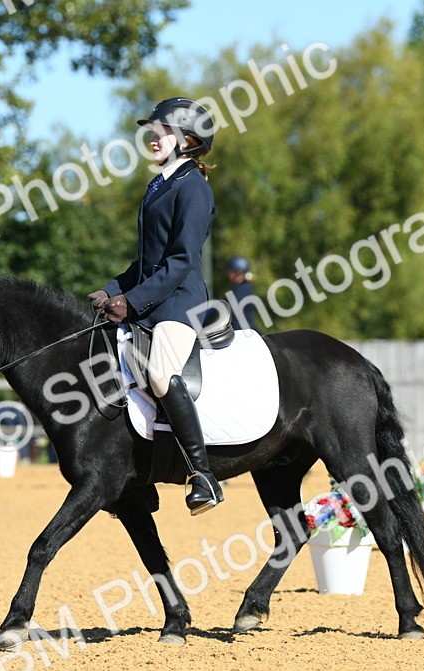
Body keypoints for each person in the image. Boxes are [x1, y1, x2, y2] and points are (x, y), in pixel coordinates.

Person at [87, 97, 223, 515]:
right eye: (152, 130)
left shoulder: (194, 188)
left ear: (187, 140)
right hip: (150, 301)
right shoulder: (160, 185)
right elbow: (143, 264)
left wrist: (132, 301)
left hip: (178, 305)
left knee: (160, 372)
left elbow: (180, 262)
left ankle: (203, 476)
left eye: (162, 130)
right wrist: (110, 290)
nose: (153, 137)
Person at [224, 256, 261, 333]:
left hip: (242, 329)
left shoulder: (243, 289)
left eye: (230, 272)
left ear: (237, 272)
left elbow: (231, 309)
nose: (228, 275)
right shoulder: (238, 287)